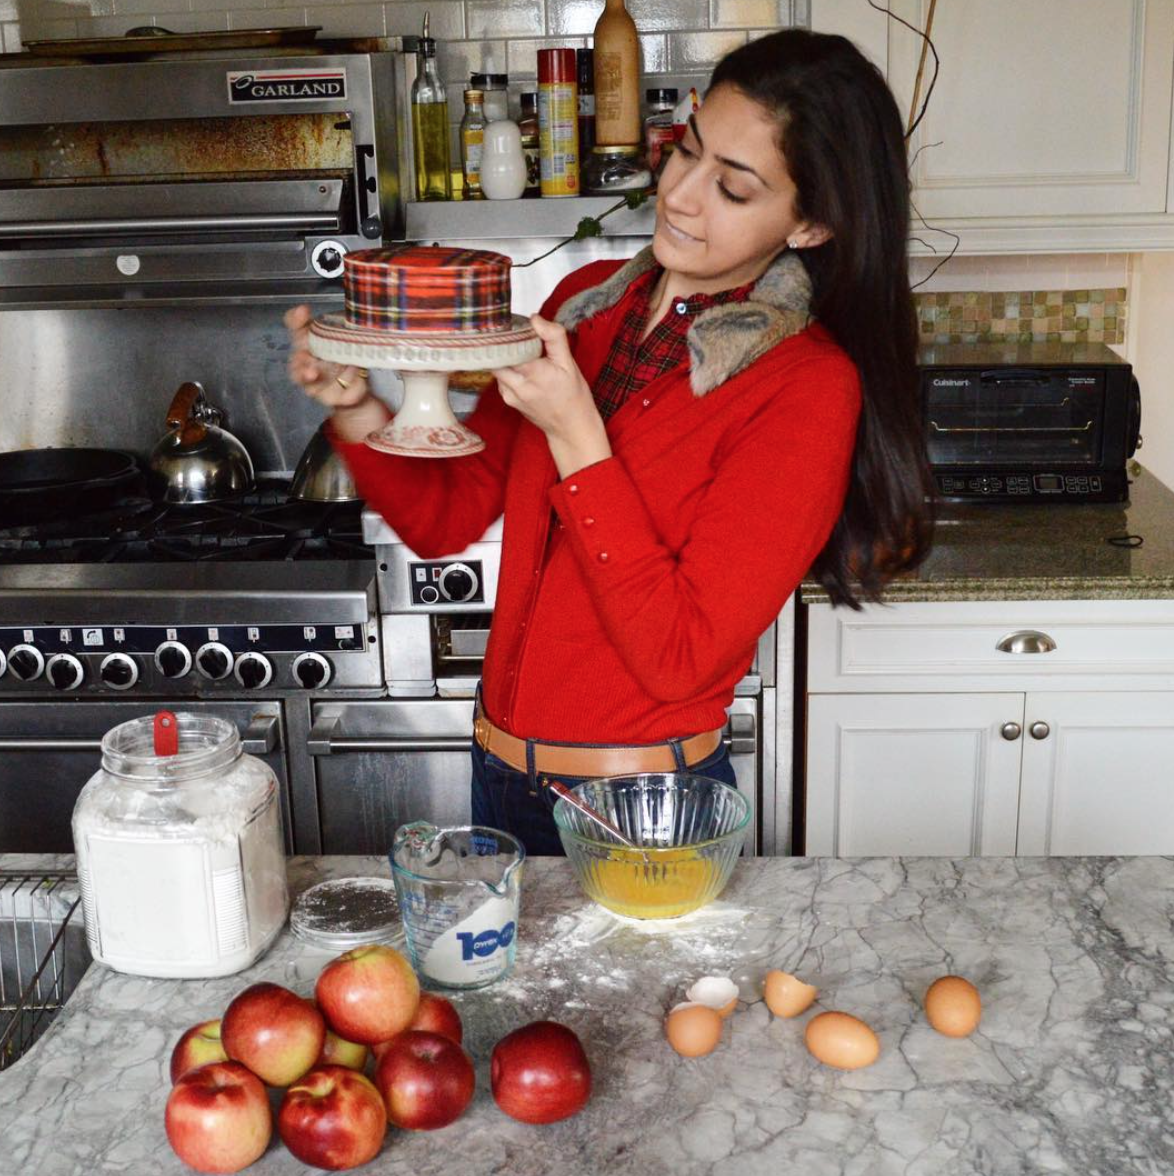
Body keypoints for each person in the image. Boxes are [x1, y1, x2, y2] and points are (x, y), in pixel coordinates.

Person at [285, 29, 933, 855]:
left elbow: (681, 660)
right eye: (686, 152)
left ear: (809, 225)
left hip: (644, 808)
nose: (682, 194)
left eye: (733, 189)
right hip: (497, 779)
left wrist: (579, 438)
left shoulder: (804, 386)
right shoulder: (585, 302)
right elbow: (446, 518)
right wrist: (358, 411)